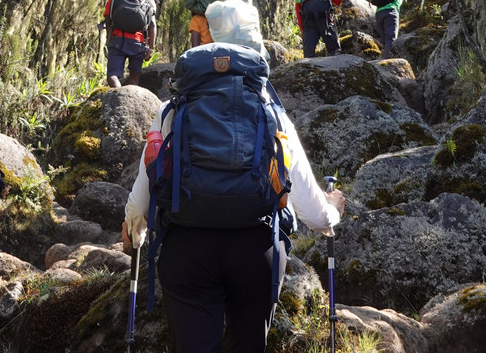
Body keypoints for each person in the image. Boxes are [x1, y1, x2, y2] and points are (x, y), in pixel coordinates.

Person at [121, 61, 346, 351]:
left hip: (187, 249)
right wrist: (333, 211)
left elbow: (143, 196)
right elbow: (314, 214)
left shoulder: (171, 109)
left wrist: (133, 233)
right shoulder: (271, 111)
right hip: (256, 250)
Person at [103, 0, 157, 88]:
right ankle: (128, 99)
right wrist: (151, 48)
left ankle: (118, 97)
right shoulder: (148, 1)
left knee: (112, 75)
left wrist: (109, 38)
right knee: (134, 76)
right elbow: (152, 25)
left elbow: (108, 19)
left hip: (117, 39)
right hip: (137, 42)